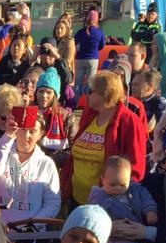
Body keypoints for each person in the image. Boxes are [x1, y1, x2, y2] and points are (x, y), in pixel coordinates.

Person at [62, 71, 148, 205]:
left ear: (104, 94)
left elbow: (136, 169)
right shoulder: (90, 115)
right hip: (76, 197)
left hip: (106, 203)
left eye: (89, 90)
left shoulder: (129, 122)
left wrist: (116, 200)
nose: (86, 94)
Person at [0, 105, 60, 227]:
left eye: (32, 131)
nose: (26, 136)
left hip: (30, 232)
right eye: (23, 129)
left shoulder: (46, 164)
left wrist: (32, 225)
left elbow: (52, 203)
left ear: (40, 134)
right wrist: (7, 136)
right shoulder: (4, 152)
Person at [88, 156, 159, 243]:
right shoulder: (99, 198)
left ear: (129, 180)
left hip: (135, 227)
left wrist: (150, 210)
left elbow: (146, 198)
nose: (117, 188)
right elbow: (94, 217)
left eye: (122, 184)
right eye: (112, 184)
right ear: (103, 179)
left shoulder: (134, 189)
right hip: (116, 237)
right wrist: (109, 226)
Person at [37, 67, 77, 160]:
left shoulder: (67, 117)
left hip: (56, 163)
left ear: (55, 95)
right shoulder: (30, 112)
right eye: (41, 91)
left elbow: (73, 147)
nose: (44, 96)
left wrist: (50, 160)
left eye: (49, 92)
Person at [73, 10, 105, 102]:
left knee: (78, 83)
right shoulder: (100, 33)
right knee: (90, 83)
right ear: (97, 20)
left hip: (80, 59)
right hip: (93, 59)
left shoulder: (80, 32)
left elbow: (75, 43)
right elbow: (101, 46)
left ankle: (75, 103)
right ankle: (88, 103)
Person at [131, 69, 166, 133]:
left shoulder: (161, 104)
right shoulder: (129, 103)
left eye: (136, 84)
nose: (132, 88)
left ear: (150, 86)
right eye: (132, 84)